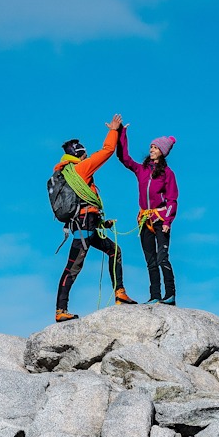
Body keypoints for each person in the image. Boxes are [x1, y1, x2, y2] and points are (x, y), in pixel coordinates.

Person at [54, 114, 136, 322]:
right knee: (73, 267)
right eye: (85, 153)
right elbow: (107, 151)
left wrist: (101, 222)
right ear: (80, 154)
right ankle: (60, 310)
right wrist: (114, 130)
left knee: (113, 251)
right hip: (84, 226)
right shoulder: (81, 168)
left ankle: (119, 292)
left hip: (86, 224)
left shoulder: (69, 173)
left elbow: (84, 202)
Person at [116, 125, 179, 305]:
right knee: (150, 260)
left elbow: (172, 199)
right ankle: (155, 296)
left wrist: (168, 221)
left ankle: (170, 295)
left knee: (162, 258)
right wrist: (121, 134)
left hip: (160, 220)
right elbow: (123, 158)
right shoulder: (141, 169)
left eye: (156, 147)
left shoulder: (168, 174)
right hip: (144, 220)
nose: (152, 150)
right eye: (151, 147)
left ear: (163, 152)